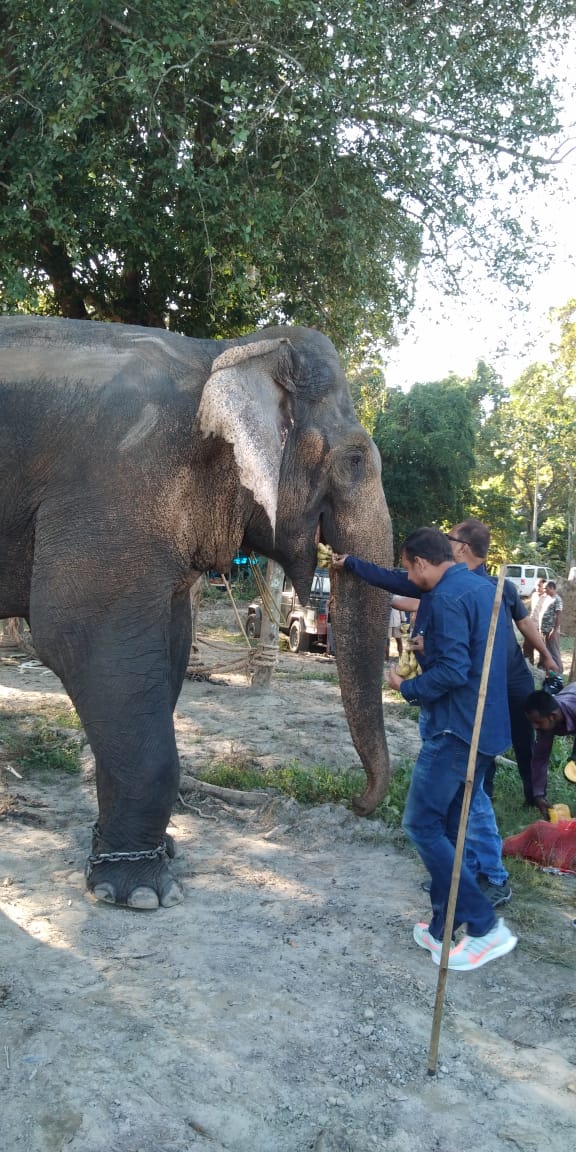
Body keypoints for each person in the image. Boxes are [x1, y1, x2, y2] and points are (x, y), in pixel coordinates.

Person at [389, 527, 517, 970]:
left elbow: (457, 672)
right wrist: (431, 650)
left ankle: (484, 926)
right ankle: (442, 930)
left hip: (454, 731)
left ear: (421, 562)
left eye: (408, 567)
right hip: (487, 730)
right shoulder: (482, 588)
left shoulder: (444, 597)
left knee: (421, 824)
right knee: (447, 828)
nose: (410, 575)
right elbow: (477, 657)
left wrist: (408, 686)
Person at [447, 521, 559, 805]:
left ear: (464, 547)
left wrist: (546, 655)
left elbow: (524, 623)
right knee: (483, 734)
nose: (446, 543)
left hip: (515, 676)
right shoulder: (452, 583)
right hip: (482, 678)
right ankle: (485, 794)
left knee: (525, 736)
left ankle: (533, 795)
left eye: (450, 538)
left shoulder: (502, 587)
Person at [525, 682, 576, 816]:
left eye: (538, 722)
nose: (535, 727)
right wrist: (539, 795)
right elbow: (540, 759)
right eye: (532, 722)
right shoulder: (547, 722)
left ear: (553, 716)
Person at [539, 580, 563, 673]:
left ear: (552, 588)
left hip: (551, 631)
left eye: (546, 588)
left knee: (553, 651)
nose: (545, 590)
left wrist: (554, 630)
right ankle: (545, 669)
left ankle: (559, 671)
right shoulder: (548, 598)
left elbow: (559, 615)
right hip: (544, 630)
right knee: (544, 650)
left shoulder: (557, 599)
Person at [523, 577, 547, 663]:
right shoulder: (534, 595)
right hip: (531, 625)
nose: (537, 588)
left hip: (541, 627)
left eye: (539, 586)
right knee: (527, 646)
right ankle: (528, 664)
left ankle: (542, 666)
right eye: (536, 585)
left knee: (543, 648)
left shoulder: (547, 597)